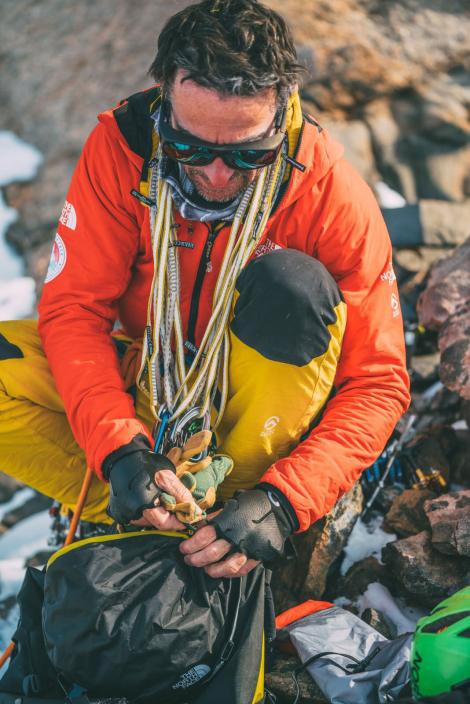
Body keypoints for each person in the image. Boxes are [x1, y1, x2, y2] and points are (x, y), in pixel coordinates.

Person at [0, 0, 409, 579]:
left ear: (280, 112)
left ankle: (235, 513)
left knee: (291, 285)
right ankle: (146, 507)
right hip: (154, 381)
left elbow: (378, 382)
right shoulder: (124, 151)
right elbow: (76, 311)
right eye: (191, 149)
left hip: (264, 424)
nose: (218, 176)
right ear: (164, 98)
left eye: (248, 154)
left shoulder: (327, 190)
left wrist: (283, 502)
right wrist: (118, 448)